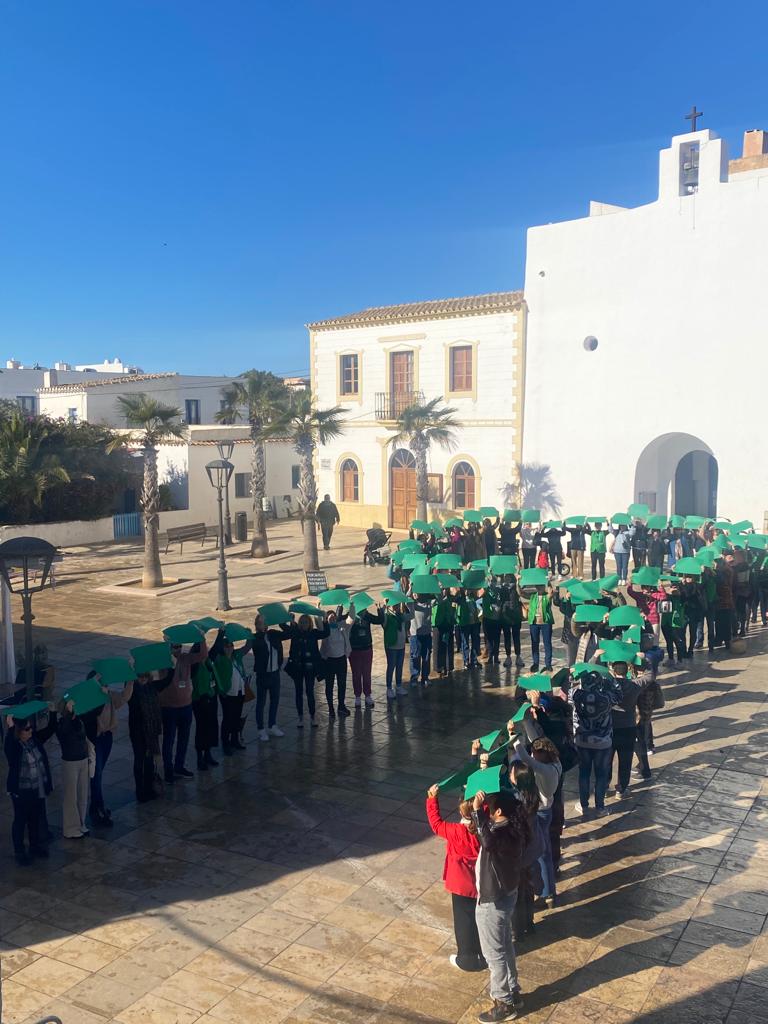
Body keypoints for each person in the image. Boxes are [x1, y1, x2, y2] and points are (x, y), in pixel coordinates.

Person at [472, 788, 529, 1023]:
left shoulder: (499, 834)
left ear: (497, 812)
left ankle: (503, 1001)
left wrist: (476, 812)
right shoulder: (515, 828)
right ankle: (513, 990)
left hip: (492, 899)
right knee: (505, 946)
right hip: (507, 893)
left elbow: (486, 840)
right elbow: (488, 834)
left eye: (489, 808)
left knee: (494, 953)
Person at [425, 784, 486, 972]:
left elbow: (436, 824)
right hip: (481, 881)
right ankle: (483, 952)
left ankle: (466, 957)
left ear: (461, 810)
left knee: (463, 920)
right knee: (481, 918)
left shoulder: (455, 832)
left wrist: (432, 799)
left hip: (460, 884)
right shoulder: (485, 829)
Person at [513, 733, 562, 907]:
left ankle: (546, 893)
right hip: (547, 810)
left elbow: (527, 759)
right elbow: (535, 740)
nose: (533, 754)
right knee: (545, 851)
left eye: (535, 752)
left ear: (542, 754)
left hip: (540, 813)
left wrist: (514, 739)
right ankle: (549, 892)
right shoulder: (556, 764)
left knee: (541, 854)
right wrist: (526, 723)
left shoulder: (544, 770)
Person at [4, 710, 56, 865]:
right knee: (20, 821)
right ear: (19, 732)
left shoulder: (34, 741)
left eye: (30, 728)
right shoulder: (15, 747)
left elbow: (49, 730)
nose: (30, 731)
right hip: (21, 791)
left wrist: (52, 713)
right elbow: (9, 745)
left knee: (34, 819)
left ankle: (35, 846)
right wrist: (11, 727)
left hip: (36, 789)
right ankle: (19, 851)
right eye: (27, 729)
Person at [570, 668, 623, 817]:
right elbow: (620, 695)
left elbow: (565, 691)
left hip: (582, 741)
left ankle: (584, 804)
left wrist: (573, 676)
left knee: (584, 773)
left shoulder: (576, 695)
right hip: (603, 743)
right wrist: (612, 679)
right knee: (601, 775)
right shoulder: (606, 697)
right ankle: (600, 807)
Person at [160, 637, 208, 782]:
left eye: (179, 646)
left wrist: (201, 639)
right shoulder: (164, 662)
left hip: (186, 705)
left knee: (183, 739)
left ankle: (179, 766)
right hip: (169, 708)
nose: (178, 649)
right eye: (175, 647)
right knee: (169, 740)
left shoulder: (185, 658)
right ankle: (168, 771)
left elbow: (202, 655)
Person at [87, 677, 133, 825]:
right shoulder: (89, 700)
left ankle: (97, 806)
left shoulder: (110, 696)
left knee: (99, 772)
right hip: (95, 739)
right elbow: (92, 714)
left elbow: (124, 697)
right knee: (96, 774)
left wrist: (130, 680)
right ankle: (97, 808)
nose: (104, 686)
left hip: (107, 737)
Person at [282, 614, 330, 725]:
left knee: (309, 691)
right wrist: (288, 619)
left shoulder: (313, 633)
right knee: (298, 692)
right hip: (297, 668)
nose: (303, 624)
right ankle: (300, 717)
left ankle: (313, 716)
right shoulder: (295, 632)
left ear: (310, 624)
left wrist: (324, 621)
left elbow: (326, 633)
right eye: (302, 622)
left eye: (306, 622)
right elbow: (283, 627)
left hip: (310, 668)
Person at [605, 657, 641, 798]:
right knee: (625, 760)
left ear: (613, 672)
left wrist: (595, 656)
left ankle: (604, 787)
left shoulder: (607, 686)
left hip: (610, 727)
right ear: (627, 671)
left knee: (607, 760)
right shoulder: (635, 686)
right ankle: (621, 788)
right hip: (628, 727)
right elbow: (650, 675)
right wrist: (641, 658)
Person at [56, 699, 91, 839]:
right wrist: (69, 716)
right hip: (70, 762)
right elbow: (63, 732)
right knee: (71, 796)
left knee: (83, 794)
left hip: (82, 758)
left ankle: (81, 823)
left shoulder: (79, 720)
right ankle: (70, 828)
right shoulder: (62, 723)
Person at [211, 631, 249, 753]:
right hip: (227, 693)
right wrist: (220, 635)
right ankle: (225, 743)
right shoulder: (219, 659)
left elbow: (248, 647)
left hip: (239, 691)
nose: (229, 648)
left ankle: (234, 740)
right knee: (227, 718)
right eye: (226, 646)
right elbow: (213, 651)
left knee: (237, 717)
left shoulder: (237, 655)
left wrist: (249, 635)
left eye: (231, 646)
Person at [128, 670, 163, 802]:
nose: (142, 678)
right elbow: (127, 691)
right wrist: (130, 670)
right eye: (139, 676)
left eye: (145, 676)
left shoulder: (151, 687)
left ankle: (148, 789)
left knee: (149, 761)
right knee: (139, 761)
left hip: (150, 731)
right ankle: (140, 790)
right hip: (137, 731)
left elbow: (167, 681)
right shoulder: (133, 690)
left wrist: (172, 663)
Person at [251, 612, 285, 740]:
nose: (263, 624)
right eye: (260, 622)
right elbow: (256, 646)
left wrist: (284, 622)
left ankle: (272, 725)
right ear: (256, 625)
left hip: (275, 672)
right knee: (261, 702)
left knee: (275, 700)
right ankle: (261, 728)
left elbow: (289, 634)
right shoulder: (255, 638)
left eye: (264, 622)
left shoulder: (273, 634)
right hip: (263, 674)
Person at [191, 649, 220, 768]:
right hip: (199, 700)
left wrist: (221, 632)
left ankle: (208, 753)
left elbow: (214, 649)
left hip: (211, 697)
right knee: (201, 728)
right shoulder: (195, 666)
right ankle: (199, 757)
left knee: (211, 726)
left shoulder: (208, 662)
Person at [347, 604, 380, 707]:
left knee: (366, 674)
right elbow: (339, 619)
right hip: (355, 649)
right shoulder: (351, 617)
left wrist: (379, 609)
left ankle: (367, 695)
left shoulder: (367, 616)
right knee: (356, 674)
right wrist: (340, 608)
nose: (363, 609)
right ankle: (357, 696)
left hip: (367, 648)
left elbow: (379, 620)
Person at [320, 608, 351, 718]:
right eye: (330, 617)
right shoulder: (325, 630)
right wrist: (319, 609)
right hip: (330, 661)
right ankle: (331, 708)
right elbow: (318, 622)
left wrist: (351, 606)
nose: (332, 618)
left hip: (341, 660)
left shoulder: (341, 627)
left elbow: (351, 619)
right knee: (329, 685)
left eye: (333, 616)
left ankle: (341, 706)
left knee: (342, 684)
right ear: (326, 619)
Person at [381, 598, 412, 698]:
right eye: (394, 606)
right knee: (391, 666)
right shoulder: (387, 616)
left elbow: (411, 616)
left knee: (399, 666)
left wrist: (410, 603)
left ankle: (398, 686)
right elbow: (383, 622)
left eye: (398, 605)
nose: (396, 607)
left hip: (401, 646)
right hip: (391, 646)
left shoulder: (401, 617)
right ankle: (389, 688)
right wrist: (384, 607)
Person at [521, 582, 554, 672]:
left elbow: (551, 592)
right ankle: (535, 663)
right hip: (534, 623)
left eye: (541, 586)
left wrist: (547, 581)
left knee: (547, 643)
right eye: (538, 586)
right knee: (535, 643)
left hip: (545, 623)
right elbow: (520, 593)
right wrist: (518, 582)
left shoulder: (547, 596)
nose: (539, 588)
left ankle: (548, 664)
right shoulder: (532, 596)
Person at [409, 596, 434, 686]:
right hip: (415, 635)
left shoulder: (429, 602)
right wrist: (410, 588)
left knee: (426, 656)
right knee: (415, 656)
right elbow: (407, 597)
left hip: (427, 634)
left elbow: (440, 599)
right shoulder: (412, 603)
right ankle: (414, 677)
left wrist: (439, 587)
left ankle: (425, 677)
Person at [500, 578, 525, 668]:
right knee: (507, 636)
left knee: (516, 636)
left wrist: (518, 581)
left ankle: (518, 656)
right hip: (505, 614)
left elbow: (521, 593)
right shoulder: (502, 587)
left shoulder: (517, 586)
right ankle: (508, 656)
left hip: (516, 614)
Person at [456, 587, 481, 669]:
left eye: (468, 589)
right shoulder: (460, 599)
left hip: (474, 623)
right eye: (465, 589)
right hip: (465, 624)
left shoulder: (473, 598)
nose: (467, 591)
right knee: (465, 643)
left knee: (475, 642)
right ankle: (466, 661)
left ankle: (474, 659)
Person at [433, 588, 456, 677]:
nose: (443, 591)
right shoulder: (435, 598)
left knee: (449, 646)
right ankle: (439, 667)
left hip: (448, 623)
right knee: (438, 647)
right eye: (441, 589)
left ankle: (449, 666)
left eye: (444, 589)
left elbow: (453, 610)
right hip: (438, 624)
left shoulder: (450, 598)